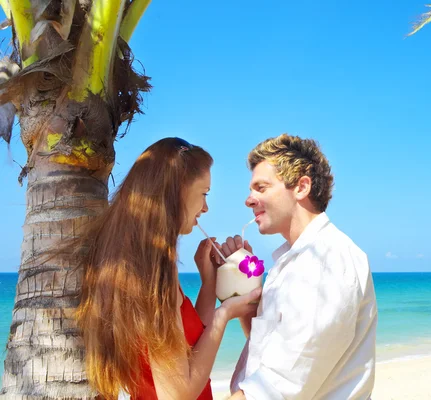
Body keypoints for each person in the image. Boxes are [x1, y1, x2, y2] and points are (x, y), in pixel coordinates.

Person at [75, 137, 261, 400]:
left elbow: (188, 349)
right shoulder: (153, 276)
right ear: (178, 190)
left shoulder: (136, 262)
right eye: (204, 193)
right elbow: (178, 394)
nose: (205, 207)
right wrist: (225, 314)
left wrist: (209, 284)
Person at [219, 134, 378, 399]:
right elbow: (272, 351)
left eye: (261, 187)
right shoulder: (294, 261)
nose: (249, 199)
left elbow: (279, 384)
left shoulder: (327, 260)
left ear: (301, 187)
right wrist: (244, 292)